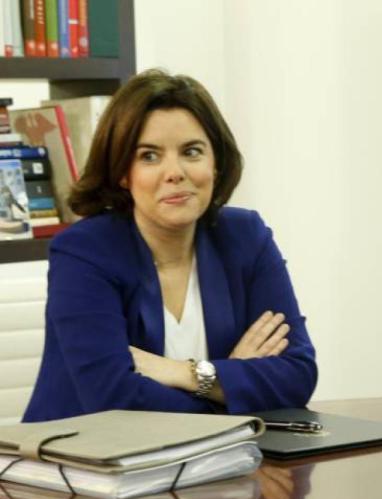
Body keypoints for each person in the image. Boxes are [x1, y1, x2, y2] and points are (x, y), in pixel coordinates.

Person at [22, 69, 317, 422]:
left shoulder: (245, 237)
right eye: (149, 156)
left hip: (220, 464)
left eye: (192, 152)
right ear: (122, 172)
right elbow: (114, 398)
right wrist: (229, 387)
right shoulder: (85, 251)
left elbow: (298, 374)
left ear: (216, 163)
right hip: (85, 468)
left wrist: (185, 373)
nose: (174, 172)